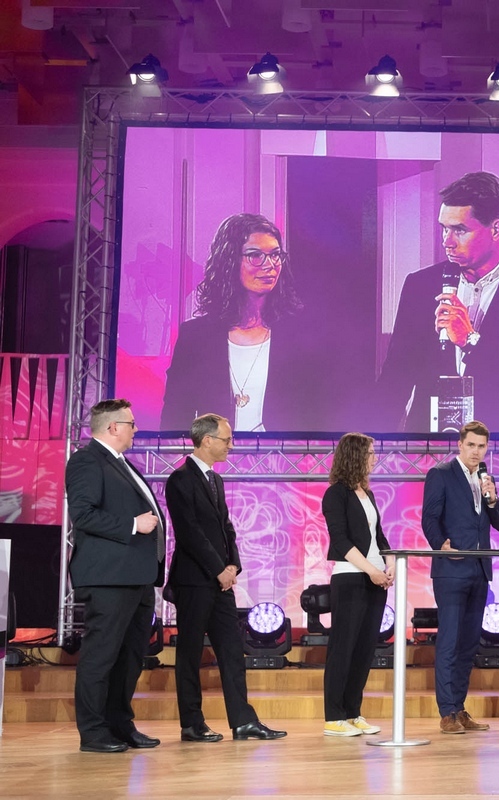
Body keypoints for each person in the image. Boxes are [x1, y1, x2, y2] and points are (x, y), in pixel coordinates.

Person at [376, 172, 499, 433]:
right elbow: (395, 380)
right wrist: (368, 447)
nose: (447, 242)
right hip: (428, 446)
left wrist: (471, 341)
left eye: (459, 230)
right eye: (444, 228)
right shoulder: (420, 286)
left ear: (495, 229)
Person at [165, 413, 286, 743]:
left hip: (221, 581)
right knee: (190, 652)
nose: (231, 446)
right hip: (194, 580)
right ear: (207, 440)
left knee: (232, 650)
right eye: (226, 439)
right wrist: (218, 569)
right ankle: (192, 723)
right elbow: (189, 533)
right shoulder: (180, 480)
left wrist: (232, 566)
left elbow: (226, 529)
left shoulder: (215, 480)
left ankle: (243, 721)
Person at [161, 212, 322, 432]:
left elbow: (319, 415)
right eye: (255, 255)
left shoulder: (300, 334)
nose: (269, 265)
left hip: (280, 454)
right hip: (216, 453)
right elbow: (174, 420)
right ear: (229, 261)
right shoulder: (195, 336)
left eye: (275, 255)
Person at [66, 399, 165, 753]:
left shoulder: (121, 463)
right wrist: (132, 524)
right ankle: (94, 732)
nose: (136, 429)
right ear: (112, 427)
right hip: (109, 578)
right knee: (101, 656)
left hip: (136, 577)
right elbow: (83, 514)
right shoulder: (87, 460)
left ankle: (120, 724)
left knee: (130, 658)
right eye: (131, 423)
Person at [422, 420, 499, 733]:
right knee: (449, 641)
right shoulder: (441, 474)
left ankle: (459, 709)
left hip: (479, 569)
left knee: (469, 644)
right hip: (451, 570)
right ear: (460, 445)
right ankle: (446, 711)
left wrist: (493, 499)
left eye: (481, 446)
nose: (476, 451)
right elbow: (429, 518)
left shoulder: (486, 479)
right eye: (471, 445)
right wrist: (441, 545)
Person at [320, 432, 395, 737]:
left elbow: (380, 537)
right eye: (370, 453)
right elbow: (340, 540)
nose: (375, 458)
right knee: (344, 647)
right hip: (350, 576)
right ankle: (334, 716)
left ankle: (353, 712)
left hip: (375, 578)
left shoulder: (368, 494)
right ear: (355, 456)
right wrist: (371, 570)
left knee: (364, 649)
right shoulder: (335, 494)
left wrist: (390, 564)